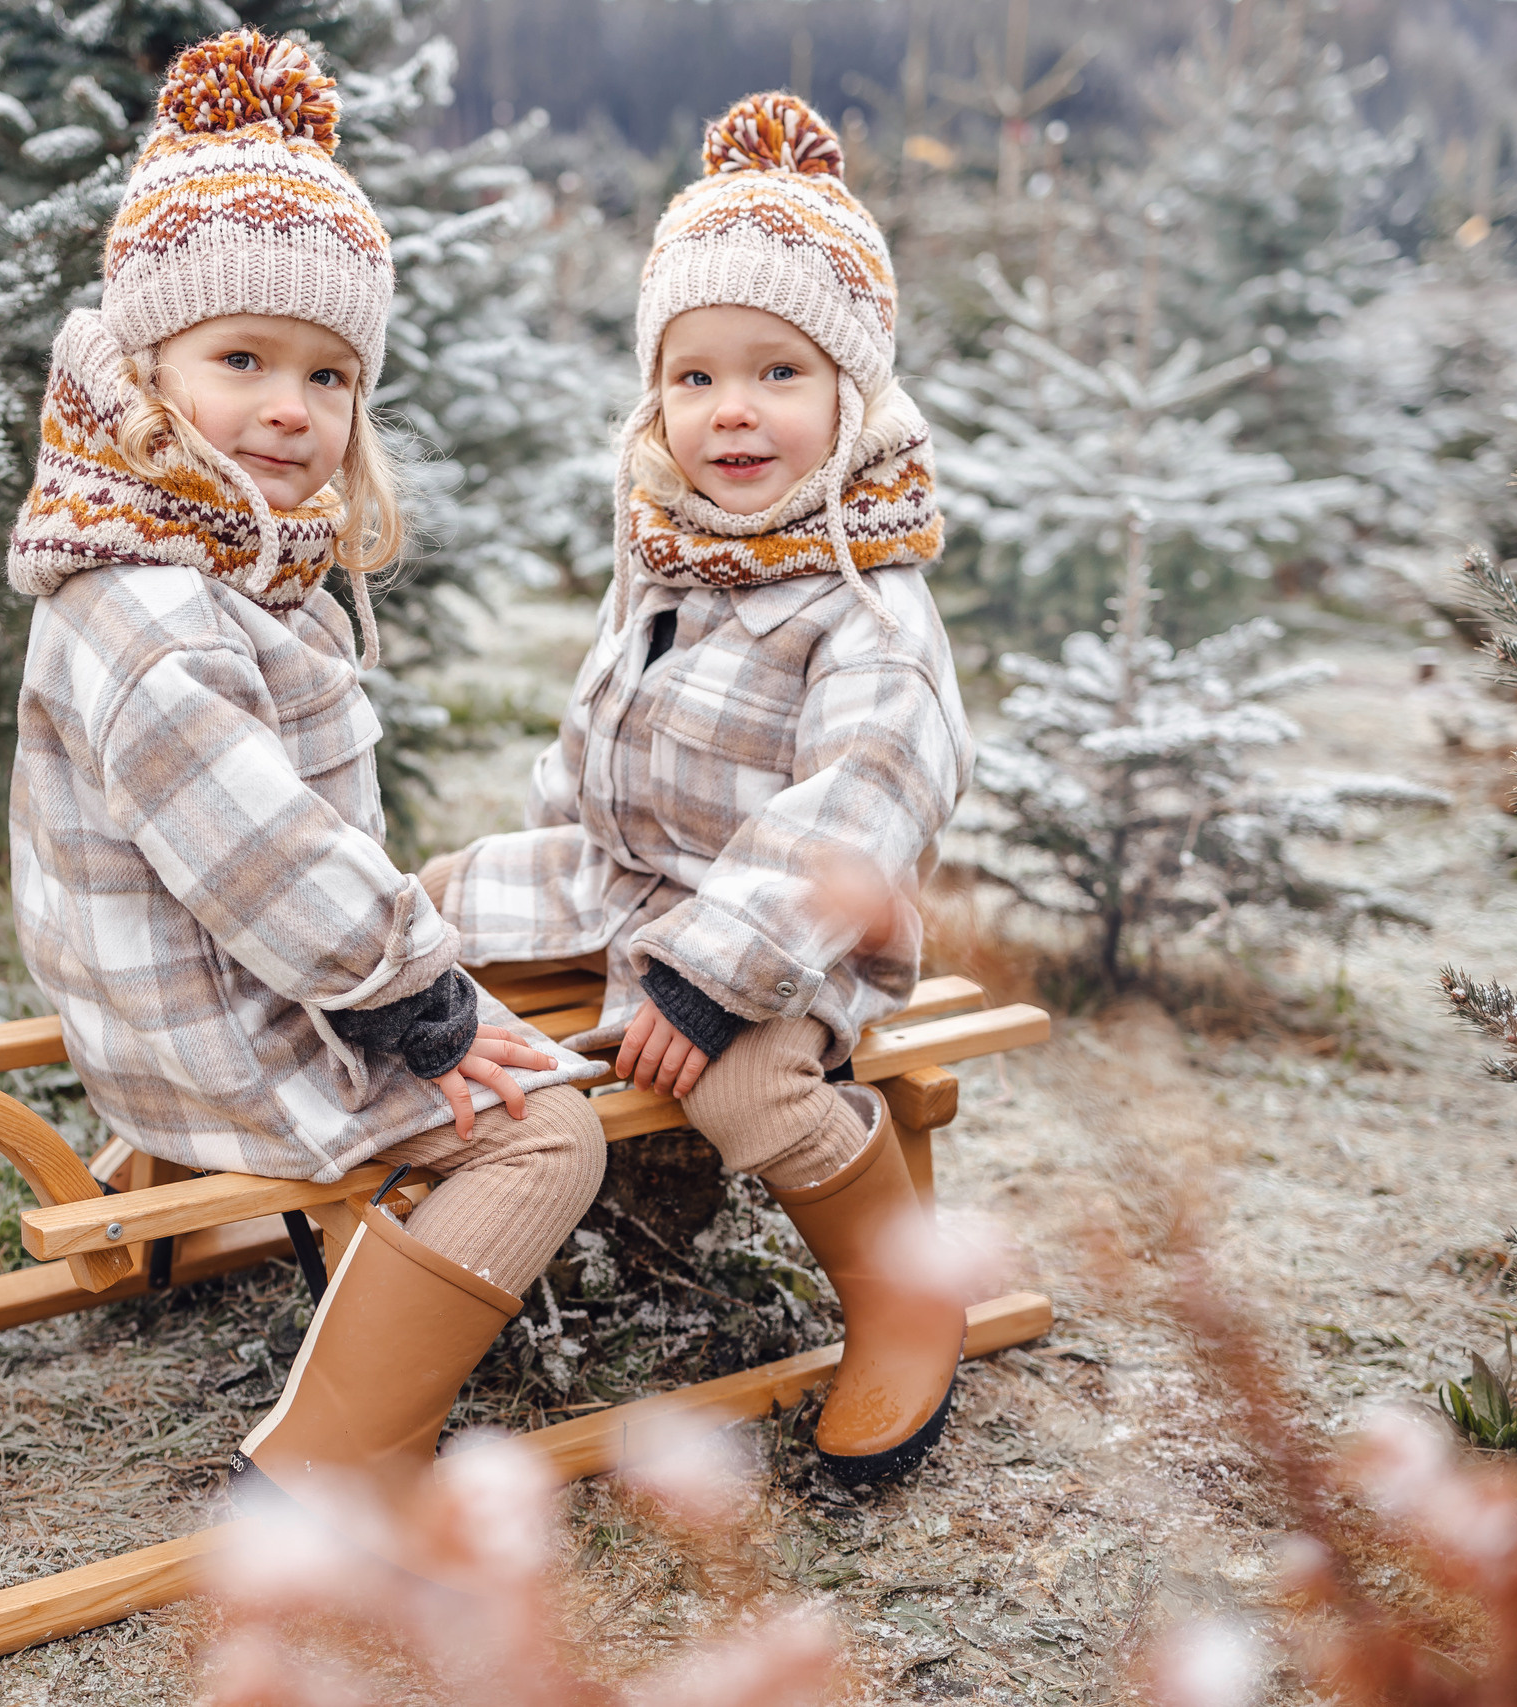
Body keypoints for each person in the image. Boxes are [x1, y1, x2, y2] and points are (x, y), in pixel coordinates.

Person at [2, 30, 605, 1520]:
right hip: (221, 1024)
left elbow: (283, 846)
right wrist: (420, 1004)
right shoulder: (150, 607)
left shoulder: (208, 559)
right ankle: (330, 1457)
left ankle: (364, 1277)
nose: (290, 407)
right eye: (241, 362)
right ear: (144, 373)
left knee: (484, 940)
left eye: (328, 374)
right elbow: (263, 852)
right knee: (549, 1136)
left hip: (200, 984)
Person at [423, 93, 972, 1483]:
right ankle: (268, 1132)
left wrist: (708, 980)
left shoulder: (869, 609)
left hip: (790, 938)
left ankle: (904, 1296)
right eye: (696, 376)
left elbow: (854, 807)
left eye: (780, 374)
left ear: (855, 394)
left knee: (747, 1092)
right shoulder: (672, 546)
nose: (734, 412)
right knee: (424, 906)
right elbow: (606, 725)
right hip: (631, 876)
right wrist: (542, 853)